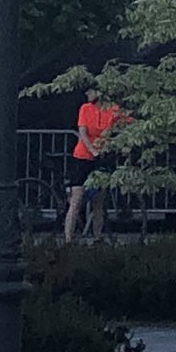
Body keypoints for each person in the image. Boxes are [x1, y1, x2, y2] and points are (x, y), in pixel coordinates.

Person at [64, 85, 125, 241]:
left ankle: (98, 238)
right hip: (83, 156)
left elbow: (127, 123)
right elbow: (83, 134)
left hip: (102, 156)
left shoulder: (113, 109)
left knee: (99, 200)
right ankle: (68, 239)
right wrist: (93, 151)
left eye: (90, 91)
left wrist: (122, 144)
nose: (87, 94)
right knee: (76, 200)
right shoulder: (85, 108)